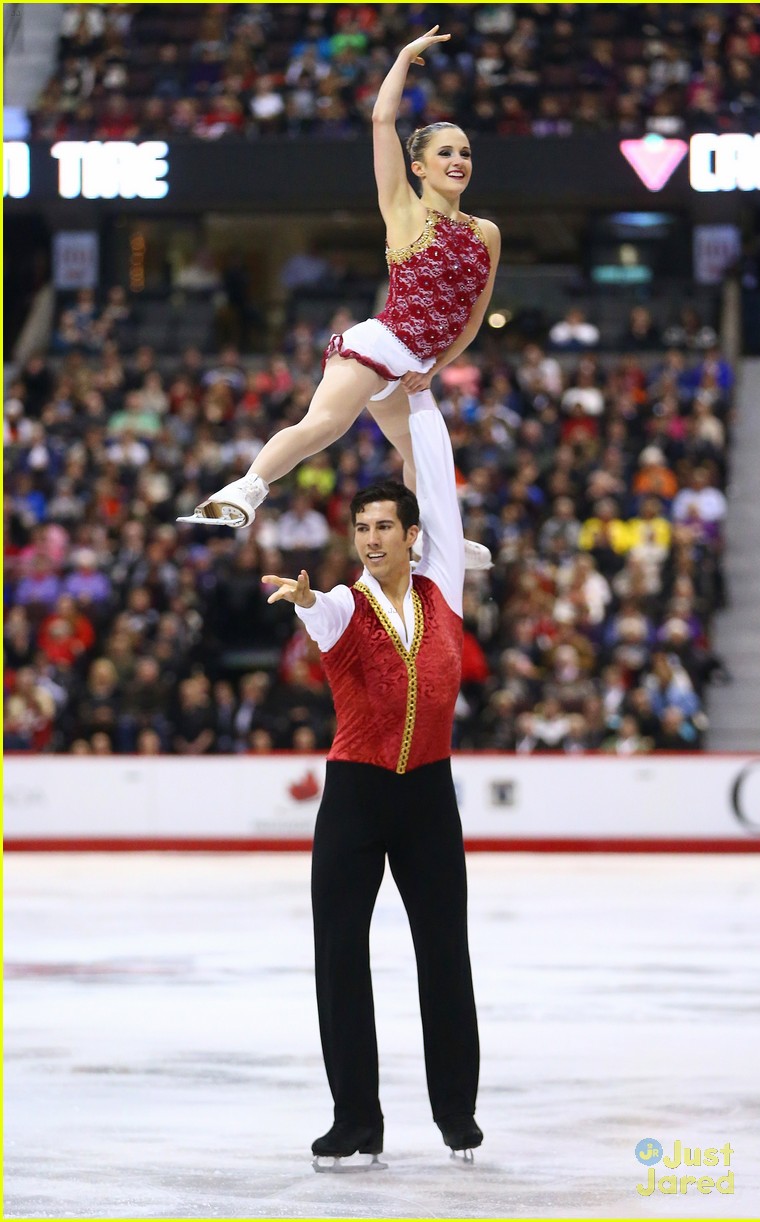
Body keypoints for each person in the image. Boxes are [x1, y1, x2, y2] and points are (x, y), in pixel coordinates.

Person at [178, 26, 501, 569]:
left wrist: (435, 369)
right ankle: (244, 490)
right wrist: (403, 58)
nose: (458, 160)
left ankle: (433, 539)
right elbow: (381, 121)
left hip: (416, 366)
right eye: (445, 152)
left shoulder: (486, 232)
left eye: (465, 152)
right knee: (327, 424)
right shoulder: (404, 209)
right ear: (418, 167)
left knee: (426, 457)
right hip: (381, 345)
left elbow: (472, 319)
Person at [263, 389, 482, 1168]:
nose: (370, 538)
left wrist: (418, 397)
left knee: (444, 953)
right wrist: (305, 600)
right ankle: (355, 1119)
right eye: (361, 528)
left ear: (411, 535)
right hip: (354, 798)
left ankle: (456, 1113)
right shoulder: (339, 607)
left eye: (384, 526)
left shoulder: (442, 588)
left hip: (428, 796)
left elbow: (440, 489)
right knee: (339, 955)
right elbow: (320, 611)